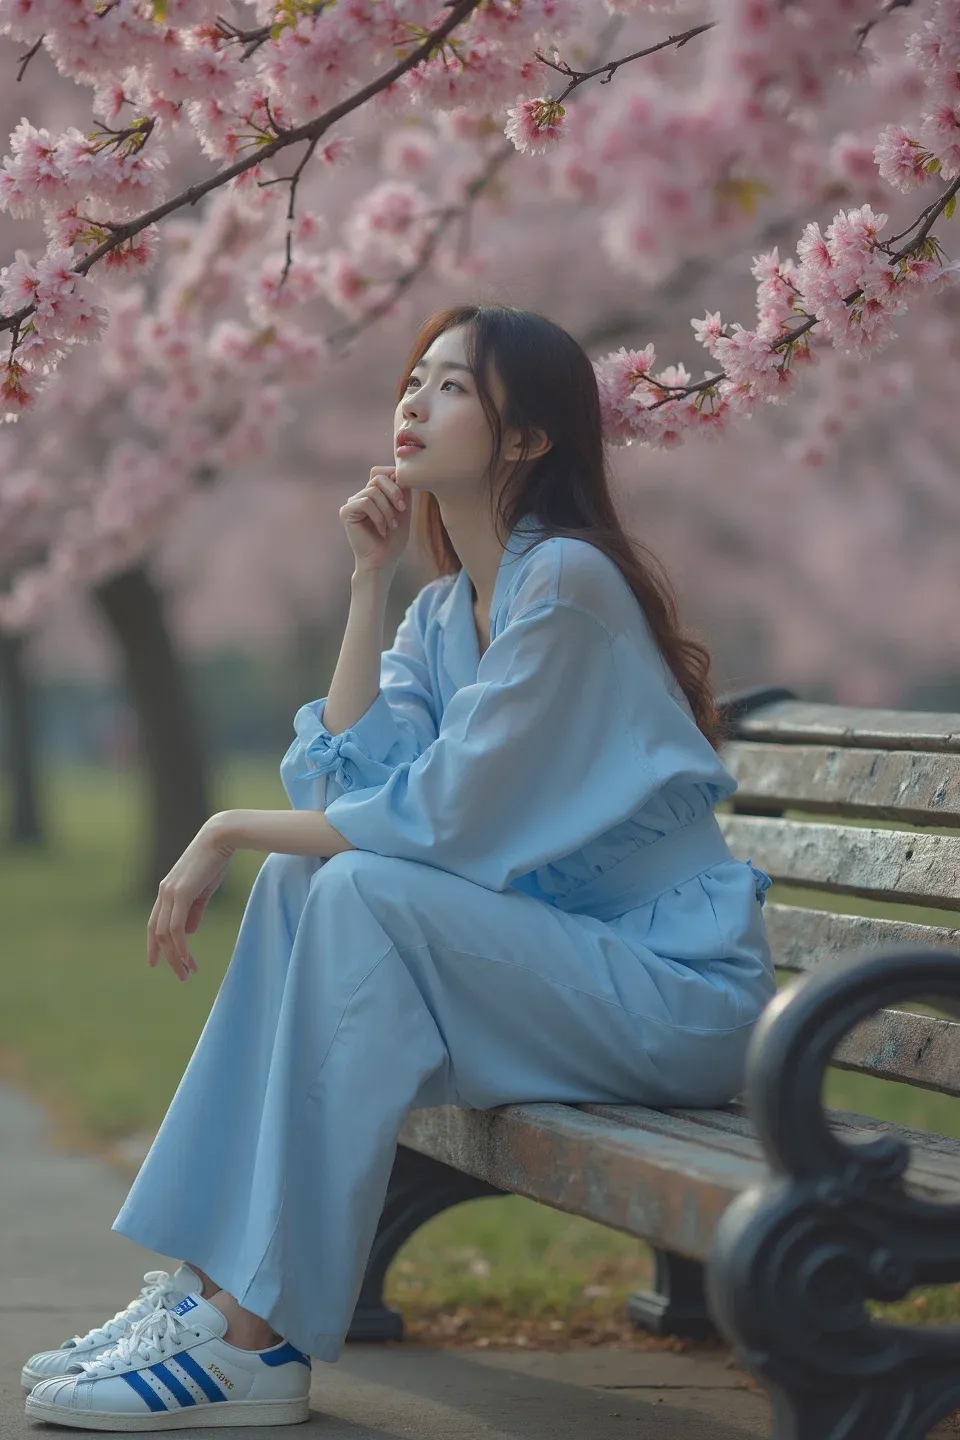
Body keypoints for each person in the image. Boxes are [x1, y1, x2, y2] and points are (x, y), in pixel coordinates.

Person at [23, 303, 776, 1430]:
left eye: (453, 387)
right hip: (558, 975)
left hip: (669, 994)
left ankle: (253, 1341)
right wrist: (365, 584)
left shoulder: (566, 584)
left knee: (354, 884)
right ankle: (213, 1297)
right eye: (412, 380)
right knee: (305, 877)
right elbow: (339, 793)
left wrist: (222, 828)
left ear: (526, 439)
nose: (413, 403)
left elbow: (436, 821)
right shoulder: (439, 611)